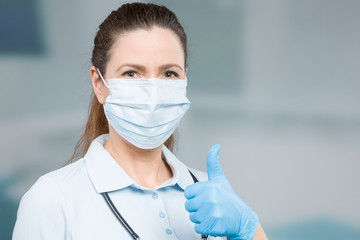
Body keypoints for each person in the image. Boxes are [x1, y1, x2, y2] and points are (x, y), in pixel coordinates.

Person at [12, 3, 268, 240]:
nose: (153, 92)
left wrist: (248, 227)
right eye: (131, 73)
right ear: (99, 84)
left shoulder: (211, 196)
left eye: (169, 73)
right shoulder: (53, 199)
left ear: (184, 79)